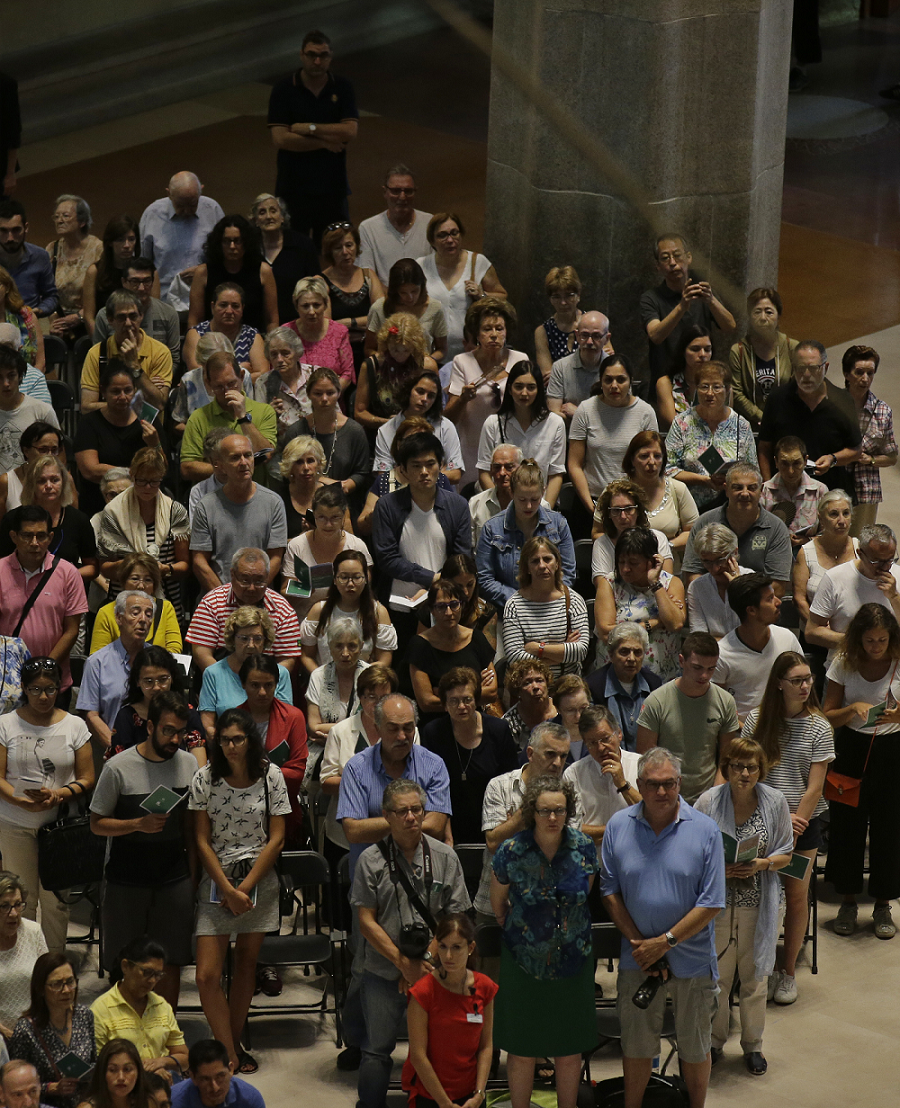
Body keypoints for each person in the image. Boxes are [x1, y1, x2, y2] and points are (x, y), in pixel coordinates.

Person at [601, 747, 725, 1108]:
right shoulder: (618, 826)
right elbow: (609, 891)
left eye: (669, 784)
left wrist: (666, 942)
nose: (661, 793)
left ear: (680, 783)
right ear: (638, 783)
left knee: (695, 1044)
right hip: (637, 958)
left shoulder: (705, 830)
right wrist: (642, 943)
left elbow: (712, 901)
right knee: (637, 1045)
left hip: (694, 960)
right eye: (653, 785)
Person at [351, 778, 469, 1108]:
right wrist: (404, 963)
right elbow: (366, 921)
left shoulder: (446, 857)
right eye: (402, 811)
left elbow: (456, 919)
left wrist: (423, 962)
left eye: (417, 809)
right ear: (387, 816)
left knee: (439, 1048)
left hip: (437, 971)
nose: (411, 818)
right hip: (382, 971)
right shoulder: (370, 861)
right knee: (375, 1051)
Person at [190, 708, 289, 1073]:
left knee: (247, 963)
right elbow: (201, 841)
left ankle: (229, 1050)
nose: (231, 746)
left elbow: (277, 838)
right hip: (217, 878)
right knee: (207, 975)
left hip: (258, 877)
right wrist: (227, 889)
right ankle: (229, 1048)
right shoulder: (205, 778)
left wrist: (244, 888)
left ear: (250, 741)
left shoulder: (271, 776)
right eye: (225, 740)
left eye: (238, 739)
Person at [491, 775, 598, 1108]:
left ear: (568, 811)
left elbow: (586, 893)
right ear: (531, 812)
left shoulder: (584, 846)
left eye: (560, 810)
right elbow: (499, 905)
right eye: (545, 811)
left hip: (574, 960)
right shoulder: (512, 850)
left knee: (569, 1048)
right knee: (522, 1048)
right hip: (524, 960)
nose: (553, 818)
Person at [89, 693, 199, 1006]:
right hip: (126, 879)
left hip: (173, 877)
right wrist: (137, 823)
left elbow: (192, 829)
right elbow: (97, 823)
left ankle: (166, 1033)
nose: (175, 739)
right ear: (150, 726)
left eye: (180, 732)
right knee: (126, 962)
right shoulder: (118, 767)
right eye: (167, 731)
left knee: (172, 960)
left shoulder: (189, 764)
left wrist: (192, 877)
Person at [694, 738, 793, 1075]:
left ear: (760, 769)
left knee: (754, 979)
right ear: (727, 768)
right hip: (717, 906)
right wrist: (718, 869)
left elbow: (787, 854)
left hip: (758, 902)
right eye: (737, 766)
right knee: (718, 978)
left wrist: (761, 864)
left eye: (752, 766)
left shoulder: (775, 801)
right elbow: (691, 852)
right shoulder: (708, 801)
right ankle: (715, 1041)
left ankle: (753, 1045)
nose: (745, 773)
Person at [742, 651, 834, 1005]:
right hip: (757, 823)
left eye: (808, 679)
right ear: (779, 684)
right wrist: (772, 820)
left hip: (801, 828)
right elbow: (746, 773)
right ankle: (748, 967)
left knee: (796, 896)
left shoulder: (819, 726)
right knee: (749, 891)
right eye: (796, 680)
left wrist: (793, 827)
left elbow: (814, 788)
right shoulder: (756, 721)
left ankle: (787, 972)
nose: (805, 686)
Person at [0, 656, 93, 951]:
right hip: (15, 824)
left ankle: (54, 965)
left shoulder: (75, 725)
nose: (44, 696)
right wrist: (20, 802)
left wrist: (60, 795)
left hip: (60, 826)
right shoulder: (6, 724)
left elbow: (88, 777)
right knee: (20, 902)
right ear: (24, 689)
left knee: (56, 903)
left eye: (51, 689)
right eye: (36, 689)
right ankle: (24, 965)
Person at [822, 604, 900, 940]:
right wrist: (852, 709)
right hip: (852, 749)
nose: (876, 646)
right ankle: (848, 901)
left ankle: (883, 903)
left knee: (890, 828)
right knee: (847, 828)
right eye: (869, 640)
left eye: (882, 640)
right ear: (858, 638)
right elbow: (826, 715)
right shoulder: (844, 661)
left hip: (893, 749)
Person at [473, 722, 581, 928]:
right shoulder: (500, 786)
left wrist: (513, 829)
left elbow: (568, 849)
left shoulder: (570, 792)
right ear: (530, 753)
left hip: (547, 908)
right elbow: (494, 843)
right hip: (495, 908)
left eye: (563, 756)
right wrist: (525, 815)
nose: (558, 763)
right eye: (550, 754)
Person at [372, 432, 472, 644]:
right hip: (397, 606)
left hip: (444, 606)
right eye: (416, 466)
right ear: (403, 470)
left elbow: (461, 557)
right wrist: (431, 577)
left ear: (441, 465)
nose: (424, 472)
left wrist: (435, 585)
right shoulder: (387, 506)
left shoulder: (458, 505)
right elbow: (386, 558)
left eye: (430, 464)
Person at [267, 30, 359, 244]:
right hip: (293, 189)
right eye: (311, 55)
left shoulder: (342, 87)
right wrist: (325, 142)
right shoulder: (283, 89)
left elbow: (350, 131)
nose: (317, 61)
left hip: (332, 190)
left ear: (330, 56)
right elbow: (281, 139)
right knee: (292, 249)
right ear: (301, 55)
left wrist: (309, 128)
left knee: (335, 250)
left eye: (323, 55)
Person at [402, 913, 497, 1108]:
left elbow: (486, 1046)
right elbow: (418, 1056)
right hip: (432, 1095)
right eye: (443, 946)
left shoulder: (485, 987)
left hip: (471, 1094)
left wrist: (479, 1093)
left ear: (470, 948)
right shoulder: (423, 991)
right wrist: (445, 1103)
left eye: (456, 947)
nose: (448, 956)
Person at [636, 631, 740, 803]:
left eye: (711, 669)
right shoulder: (656, 701)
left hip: (708, 795)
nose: (705, 676)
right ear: (682, 661)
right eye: (697, 668)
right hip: (665, 795)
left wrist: (712, 798)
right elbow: (645, 759)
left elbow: (726, 758)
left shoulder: (725, 701)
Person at [0, 506, 87, 702]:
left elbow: (72, 630)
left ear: (50, 537)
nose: (34, 543)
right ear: (13, 536)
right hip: (7, 683)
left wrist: (45, 668)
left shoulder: (68, 573)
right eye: (27, 536)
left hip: (54, 681)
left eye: (41, 536)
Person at [421, 666, 516, 844]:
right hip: (449, 822)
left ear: (477, 700)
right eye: (454, 701)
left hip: (494, 820)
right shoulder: (433, 733)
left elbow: (510, 782)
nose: (461, 706)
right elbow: (431, 789)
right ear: (444, 704)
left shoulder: (498, 729)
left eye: (467, 699)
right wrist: (446, 836)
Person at [758, 341, 862, 496]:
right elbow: (764, 447)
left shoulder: (843, 400)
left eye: (813, 368)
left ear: (825, 368)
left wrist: (832, 459)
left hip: (830, 492)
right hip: (784, 492)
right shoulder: (777, 399)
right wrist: (767, 488)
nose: (806, 375)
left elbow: (856, 450)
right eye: (801, 368)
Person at [567, 354, 658, 533]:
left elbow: (653, 461)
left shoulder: (645, 412)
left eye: (621, 380)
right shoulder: (585, 410)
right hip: (592, 500)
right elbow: (574, 464)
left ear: (631, 381)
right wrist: (593, 508)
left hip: (631, 505)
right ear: (600, 381)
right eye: (608, 380)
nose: (614, 386)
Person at [97, 448, 189, 620]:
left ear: (161, 478)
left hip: (166, 605)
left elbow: (184, 565)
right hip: (123, 608)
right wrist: (133, 566)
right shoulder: (113, 512)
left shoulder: (174, 511)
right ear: (132, 475)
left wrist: (164, 570)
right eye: (141, 481)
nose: (148, 487)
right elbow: (104, 567)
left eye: (154, 481)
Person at [446, 297, 527, 487]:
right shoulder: (462, 361)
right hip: (472, 448)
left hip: (511, 448)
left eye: (499, 329)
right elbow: (449, 418)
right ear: (476, 334)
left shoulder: (520, 359)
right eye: (487, 329)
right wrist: (463, 399)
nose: (494, 335)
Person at [476, 458, 575, 614]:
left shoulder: (559, 524)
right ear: (512, 493)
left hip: (552, 608)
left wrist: (548, 598)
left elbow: (568, 573)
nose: (528, 506)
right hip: (508, 611)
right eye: (522, 500)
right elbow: (485, 579)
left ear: (543, 491)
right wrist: (521, 600)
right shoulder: (492, 528)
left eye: (535, 499)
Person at [190, 434, 287, 592]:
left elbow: (275, 558)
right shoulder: (206, 506)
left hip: (258, 596)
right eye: (235, 458)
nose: (243, 462)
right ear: (219, 465)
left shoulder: (273, 503)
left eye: (248, 455)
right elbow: (199, 561)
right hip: (218, 598)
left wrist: (252, 591)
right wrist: (226, 599)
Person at [680, 463, 794, 595]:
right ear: (726, 489)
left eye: (751, 488)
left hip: (757, 609)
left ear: (761, 490)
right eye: (737, 488)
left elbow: (778, 587)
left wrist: (739, 597)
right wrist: (720, 601)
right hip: (712, 602)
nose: (745, 493)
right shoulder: (704, 523)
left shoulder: (776, 528)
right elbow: (692, 576)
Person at [639, 231, 735, 385]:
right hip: (666, 382)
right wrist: (682, 307)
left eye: (677, 255)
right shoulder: (651, 298)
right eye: (665, 258)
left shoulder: (702, 290)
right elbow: (655, 335)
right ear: (658, 266)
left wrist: (711, 300)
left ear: (688, 258)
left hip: (702, 382)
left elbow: (730, 326)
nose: (672, 262)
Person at [185, 547, 301, 674]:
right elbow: (201, 653)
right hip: (220, 678)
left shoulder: (283, 609)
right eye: (245, 580)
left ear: (267, 577)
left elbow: (287, 659)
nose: (252, 588)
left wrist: (262, 685)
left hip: (266, 681)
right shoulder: (211, 603)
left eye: (259, 581)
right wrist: (226, 682)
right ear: (233, 575)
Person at [74, 359, 165, 518]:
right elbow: (90, 470)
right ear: (103, 392)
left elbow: (163, 470)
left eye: (128, 390)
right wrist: (138, 475)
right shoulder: (89, 423)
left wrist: (155, 444)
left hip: (143, 502)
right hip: (99, 504)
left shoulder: (148, 418)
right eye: (116, 392)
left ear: (135, 390)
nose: (123, 397)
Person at [665, 359, 757, 511]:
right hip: (689, 507)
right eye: (704, 387)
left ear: (727, 390)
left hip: (731, 506)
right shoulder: (682, 422)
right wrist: (704, 480)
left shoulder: (741, 425)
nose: (709, 393)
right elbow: (666, 469)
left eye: (716, 387)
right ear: (696, 389)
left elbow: (753, 472)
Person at [91, 938, 188, 1080]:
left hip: (163, 1081)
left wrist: (161, 1062)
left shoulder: (161, 1005)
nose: (152, 981)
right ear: (125, 966)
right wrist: (144, 1072)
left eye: (158, 975)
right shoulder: (101, 1010)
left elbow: (184, 1057)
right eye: (147, 972)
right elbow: (99, 1065)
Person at [595, 528, 685, 680]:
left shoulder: (670, 584)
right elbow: (606, 633)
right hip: (618, 676)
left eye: (633, 563)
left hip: (661, 675)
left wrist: (655, 583)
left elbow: (675, 624)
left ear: (651, 561)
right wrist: (655, 623)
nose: (625, 569)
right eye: (621, 562)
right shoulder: (609, 583)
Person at [9, 952, 96, 1108]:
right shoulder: (26, 1030)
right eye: (56, 984)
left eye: (70, 982)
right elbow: (15, 1086)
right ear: (41, 989)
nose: (66, 990)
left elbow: (93, 1061)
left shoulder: (84, 1015)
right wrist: (52, 1088)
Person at [417, 211, 506, 363]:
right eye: (442, 235)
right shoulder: (421, 265)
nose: (450, 240)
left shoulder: (478, 262)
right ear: (432, 241)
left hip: (470, 352)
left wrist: (482, 295)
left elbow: (502, 296)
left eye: (454, 233)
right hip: (431, 354)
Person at [238, 654, 307, 848]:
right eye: (254, 685)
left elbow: (297, 774)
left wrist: (254, 770)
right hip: (240, 811)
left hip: (284, 811)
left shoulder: (294, 717)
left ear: (277, 684)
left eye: (268, 685)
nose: (262, 692)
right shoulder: (232, 720)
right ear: (243, 684)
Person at [805, 523, 900, 664]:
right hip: (845, 669)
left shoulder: (898, 575)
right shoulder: (835, 578)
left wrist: (894, 597)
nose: (885, 567)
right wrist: (859, 643)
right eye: (877, 561)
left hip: (890, 672)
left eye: (890, 560)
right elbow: (812, 632)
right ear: (860, 553)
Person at [714, 574, 803, 722]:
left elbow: (803, 685)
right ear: (751, 610)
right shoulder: (723, 653)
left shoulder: (787, 638)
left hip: (785, 727)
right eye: (770, 599)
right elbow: (719, 708)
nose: (778, 602)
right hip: (742, 736)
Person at [179, 352, 277, 485]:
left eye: (232, 384)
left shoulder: (264, 411)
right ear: (208, 383)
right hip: (214, 495)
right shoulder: (198, 418)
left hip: (254, 495)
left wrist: (243, 417)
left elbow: (266, 455)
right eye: (219, 386)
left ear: (241, 377)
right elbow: (187, 468)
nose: (226, 392)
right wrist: (229, 469)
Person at [476, 361, 566, 505]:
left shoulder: (555, 423)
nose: (524, 393)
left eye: (531, 387)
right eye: (518, 387)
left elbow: (555, 474)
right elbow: (484, 472)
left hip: (540, 504)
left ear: (539, 390)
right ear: (510, 389)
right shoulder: (493, 423)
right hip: (502, 506)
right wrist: (503, 506)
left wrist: (545, 511)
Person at [280, 367, 370, 510]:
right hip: (303, 503)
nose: (324, 399)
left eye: (330, 393)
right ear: (308, 394)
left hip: (344, 503)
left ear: (339, 394)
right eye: (318, 393)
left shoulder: (354, 431)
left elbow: (362, 472)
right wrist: (328, 484)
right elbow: (287, 472)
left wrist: (345, 487)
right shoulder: (295, 431)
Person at [409, 583, 498, 727]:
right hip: (436, 725)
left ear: (461, 606)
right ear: (432, 610)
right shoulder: (420, 645)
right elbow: (426, 702)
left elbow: (492, 692)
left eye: (454, 604)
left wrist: (442, 693)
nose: (449, 612)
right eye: (441, 606)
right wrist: (474, 691)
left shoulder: (476, 639)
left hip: (475, 722)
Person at [502, 537, 589, 681]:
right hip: (529, 686)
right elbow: (515, 657)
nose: (542, 566)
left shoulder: (574, 600)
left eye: (547, 559)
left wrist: (538, 648)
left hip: (567, 686)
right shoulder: (514, 605)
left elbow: (581, 651)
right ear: (527, 568)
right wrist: (562, 652)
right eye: (535, 561)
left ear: (557, 564)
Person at [0, 457, 97, 585]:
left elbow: (93, 568)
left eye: (55, 480)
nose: (49, 486)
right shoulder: (12, 519)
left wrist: (62, 576)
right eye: (41, 481)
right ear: (31, 485)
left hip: (64, 591)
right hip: (20, 589)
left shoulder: (79, 520)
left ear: (63, 483)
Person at [792, 489, 856, 683]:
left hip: (853, 637)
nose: (841, 520)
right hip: (817, 638)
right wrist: (819, 624)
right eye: (834, 514)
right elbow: (799, 598)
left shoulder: (860, 549)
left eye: (846, 513)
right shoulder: (807, 552)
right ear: (821, 517)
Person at [77, 591, 153, 750]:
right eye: (135, 613)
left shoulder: (159, 660)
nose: (143, 620)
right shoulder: (97, 662)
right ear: (119, 618)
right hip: (114, 750)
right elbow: (91, 715)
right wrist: (118, 748)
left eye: (148, 614)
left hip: (154, 751)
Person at [198, 608, 292, 737]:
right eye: (244, 638)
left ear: (265, 640)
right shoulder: (213, 673)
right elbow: (208, 725)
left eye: (258, 638)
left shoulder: (281, 673)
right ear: (233, 639)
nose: (251, 645)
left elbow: (286, 720)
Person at [281, 484, 371, 618]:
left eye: (335, 518)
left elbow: (366, 590)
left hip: (346, 621)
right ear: (313, 515)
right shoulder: (297, 545)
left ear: (344, 515)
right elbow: (284, 594)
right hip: (305, 619)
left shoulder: (356, 546)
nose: (328, 524)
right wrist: (304, 589)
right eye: (322, 517)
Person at [300, 548, 395, 672]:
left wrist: (359, 678)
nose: (350, 584)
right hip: (324, 681)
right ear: (334, 580)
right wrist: (322, 679)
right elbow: (307, 655)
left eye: (357, 577)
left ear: (366, 579)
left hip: (364, 683)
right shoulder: (319, 610)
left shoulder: (379, 612)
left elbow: (384, 660)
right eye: (344, 577)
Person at [106, 646, 204, 764]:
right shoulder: (126, 716)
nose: (156, 687)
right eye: (148, 681)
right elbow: (120, 765)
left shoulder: (188, 713)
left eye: (162, 679)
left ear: (172, 678)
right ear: (137, 682)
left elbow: (199, 766)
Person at [357, 416, 453, 537]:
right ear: (399, 444)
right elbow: (362, 526)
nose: (418, 446)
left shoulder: (440, 480)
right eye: (411, 440)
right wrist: (371, 518)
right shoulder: (384, 481)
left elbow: (452, 520)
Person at [79, 290, 171, 416]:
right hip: (109, 429)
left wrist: (135, 365)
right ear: (110, 320)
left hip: (145, 429)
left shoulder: (160, 352)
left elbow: (159, 404)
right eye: (121, 317)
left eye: (133, 316)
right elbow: (86, 407)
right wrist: (142, 397)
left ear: (141, 316)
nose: (128, 323)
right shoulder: (97, 353)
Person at [139, 172, 224, 306]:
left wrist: (205, 269)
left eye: (192, 204)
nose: (186, 210)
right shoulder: (152, 214)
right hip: (164, 301)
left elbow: (226, 256)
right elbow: (143, 262)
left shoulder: (212, 210)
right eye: (180, 205)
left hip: (205, 300)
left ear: (201, 191)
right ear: (169, 194)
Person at [563, 706, 641, 850]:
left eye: (605, 739)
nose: (600, 748)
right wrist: (624, 829)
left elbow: (654, 816)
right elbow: (572, 830)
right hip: (592, 866)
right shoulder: (573, 774)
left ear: (619, 733)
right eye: (592, 743)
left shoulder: (641, 765)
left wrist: (623, 785)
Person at [354, 312, 437, 446]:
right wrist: (389, 424)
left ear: (415, 347)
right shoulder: (371, 366)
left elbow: (436, 408)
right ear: (386, 344)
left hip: (420, 436)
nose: (400, 356)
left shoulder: (426, 365)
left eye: (406, 350)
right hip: (380, 437)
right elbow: (359, 413)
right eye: (395, 350)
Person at [618, 430, 697, 566]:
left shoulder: (678, 489)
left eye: (657, 456)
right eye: (644, 456)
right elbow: (598, 533)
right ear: (632, 460)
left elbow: (693, 532)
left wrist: (665, 547)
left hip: (670, 570)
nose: (652, 462)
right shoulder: (616, 491)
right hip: (626, 569)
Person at [188, 216, 276, 336]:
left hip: (254, 341)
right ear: (219, 243)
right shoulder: (203, 272)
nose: (232, 247)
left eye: (237, 241)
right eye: (227, 241)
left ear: (247, 242)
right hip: (212, 341)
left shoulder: (263, 271)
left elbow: (271, 320)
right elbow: (195, 320)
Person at [841, 344, 897, 534]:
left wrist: (871, 460)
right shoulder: (832, 406)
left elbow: (891, 457)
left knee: (859, 544)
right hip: (835, 485)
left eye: (870, 373)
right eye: (859, 372)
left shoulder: (882, 411)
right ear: (847, 374)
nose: (865, 379)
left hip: (866, 490)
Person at [319, 220, 384, 371]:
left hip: (370, 352)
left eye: (349, 245)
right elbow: (327, 327)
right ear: (330, 252)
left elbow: (382, 317)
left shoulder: (369, 275)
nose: (345, 252)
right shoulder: (321, 281)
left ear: (356, 246)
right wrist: (366, 326)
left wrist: (349, 323)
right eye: (337, 247)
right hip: (337, 355)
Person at [586, 623, 663, 751]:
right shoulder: (594, 686)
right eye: (624, 652)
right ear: (611, 655)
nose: (631, 658)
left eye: (638, 652)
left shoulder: (653, 684)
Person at [729, 287, 798, 430]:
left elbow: (798, 387)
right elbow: (736, 392)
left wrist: (780, 416)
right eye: (757, 312)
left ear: (778, 316)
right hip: (748, 426)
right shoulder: (738, 351)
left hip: (786, 422)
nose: (763, 318)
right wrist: (762, 417)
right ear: (750, 316)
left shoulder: (792, 347)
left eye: (769, 312)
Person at [93, 258, 180, 370]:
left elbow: (175, 359)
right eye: (135, 281)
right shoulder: (105, 315)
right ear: (124, 282)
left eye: (147, 281)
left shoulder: (169, 314)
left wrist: (161, 380)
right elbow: (98, 356)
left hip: (156, 379)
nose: (141, 288)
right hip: (116, 379)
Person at [251, 193, 319, 329]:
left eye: (273, 211)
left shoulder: (302, 244)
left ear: (282, 217)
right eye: (262, 212)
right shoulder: (249, 248)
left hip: (298, 325)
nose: (269, 216)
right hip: (257, 326)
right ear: (256, 220)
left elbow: (315, 282)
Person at [357, 164, 431, 287]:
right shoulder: (368, 228)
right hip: (385, 301)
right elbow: (367, 274)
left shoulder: (430, 224)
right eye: (396, 191)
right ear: (385, 192)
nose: (402, 197)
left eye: (408, 191)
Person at [91, 556, 181, 656]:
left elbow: (174, 649)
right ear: (124, 582)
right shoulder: (106, 611)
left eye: (148, 580)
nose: (141, 586)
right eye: (135, 579)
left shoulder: (166, 607)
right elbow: (98, 655)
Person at [364, 259, 448, 367]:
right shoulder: (379, 308)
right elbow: (369, 349)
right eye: (403, 292)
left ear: (422, 287)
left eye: (414, 291)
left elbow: (442, 350)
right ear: (395, 290)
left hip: (421, 370)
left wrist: (427, 361)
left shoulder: (435, 308)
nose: (410, 298)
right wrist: (386, 359)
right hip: (388, 371)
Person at [590, 478, 674, 579]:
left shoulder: (658, 538)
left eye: (629, 509)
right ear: (609, 514)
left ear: (638, 510)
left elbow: (668, 583)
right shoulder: (602, 544)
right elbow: (602, 587)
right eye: (616, 510)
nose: (623, 516)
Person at [305, 618, 370, 746]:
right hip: (324, 749)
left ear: (361, 646)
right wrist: (355, 728)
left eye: (352, 646)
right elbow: (314, 727)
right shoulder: (318, 676)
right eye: (339, 646)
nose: (345, 653)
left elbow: (375, 725)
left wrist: (334, 733)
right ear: (330, 647)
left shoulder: (371, 675)